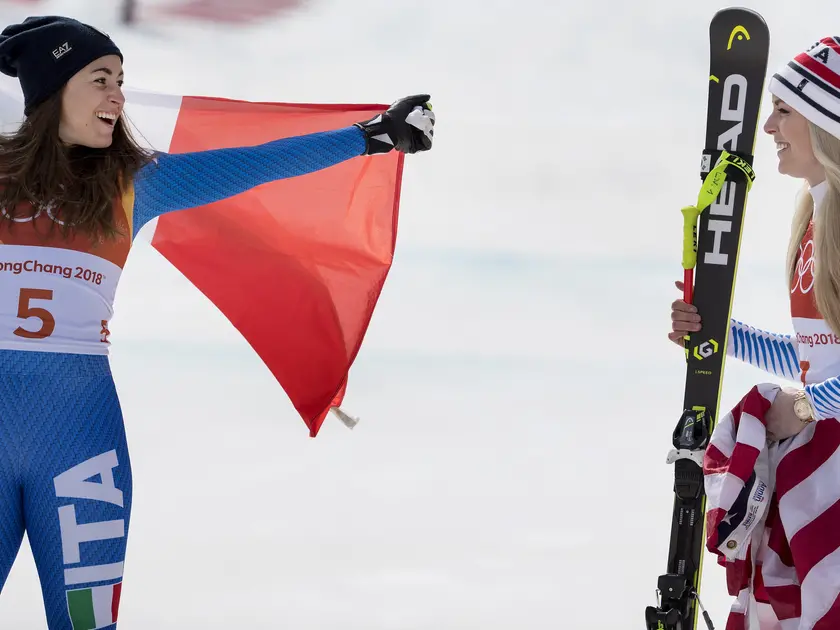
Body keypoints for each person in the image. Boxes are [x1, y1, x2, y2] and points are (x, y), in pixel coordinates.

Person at [0, 15, 435, 630]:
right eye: (101, 79)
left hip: (77, 445)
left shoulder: (133, 182)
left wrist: (371, 136)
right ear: (53, 90)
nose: (118, 96)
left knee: (84, 624)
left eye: (122, 80)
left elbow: (255, 164)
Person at [669, 36, 840, 629]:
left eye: (785, 111)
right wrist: (718, 332)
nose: (767, 126)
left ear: (826, 122)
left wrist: (808, 406)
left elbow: (821, 387)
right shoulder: (816, 220)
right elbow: (817, 357)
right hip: (819, 470)